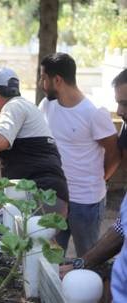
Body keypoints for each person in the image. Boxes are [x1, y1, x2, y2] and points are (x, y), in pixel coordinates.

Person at [39, 53, 120, 257]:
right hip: (56, 198)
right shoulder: (47, 106)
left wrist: (101, 179)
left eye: (43, 78)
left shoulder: (93, 113)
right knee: (51, 256)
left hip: (87, 202)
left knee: (89, 258)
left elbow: (114, 153)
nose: (41, 83)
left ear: (57, 80)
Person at [59, 68, 127, 302]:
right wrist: (81, 264)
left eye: (126, 104)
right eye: (119, 103)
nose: (119, 112)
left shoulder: (92, 112)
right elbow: (121, 229)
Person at [0, 67, 69, 216]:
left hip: (39, 194)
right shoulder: (26, 106)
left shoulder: (14, 106)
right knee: (35, 239)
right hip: (52, 195)